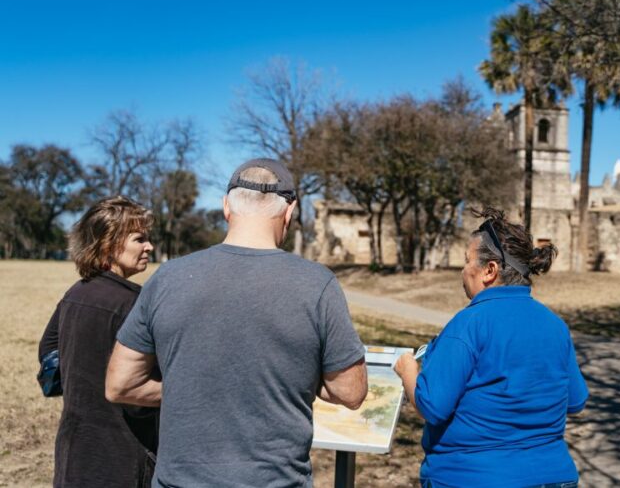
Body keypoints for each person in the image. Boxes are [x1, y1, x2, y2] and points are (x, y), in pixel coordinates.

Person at [105, 158, 368, 487]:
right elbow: (352, 391)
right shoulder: (317, 284)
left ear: (226, 207)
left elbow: (120, 384)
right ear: (290, 211)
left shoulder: (167, 278)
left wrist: (192, 387)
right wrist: (297, 378)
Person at [394, 207, 589, 488]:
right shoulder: (555, 325)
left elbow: (432, 405)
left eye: (467, 261)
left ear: (489, 271)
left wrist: (408, 371)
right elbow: (576, 401)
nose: (463, 271)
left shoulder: (468, 324)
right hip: (554, 476)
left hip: (472, 477)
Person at [38, 196, 159, 488]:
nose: (149, 247)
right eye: (139, 239)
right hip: (124, 458)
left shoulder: (75, 293)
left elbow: (48, 355)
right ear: (108, 244)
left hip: (74, 452)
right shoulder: (134, 304)